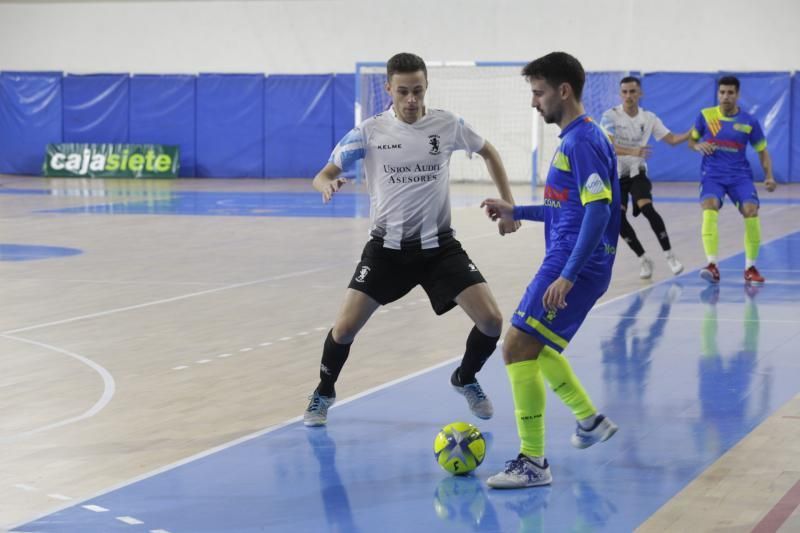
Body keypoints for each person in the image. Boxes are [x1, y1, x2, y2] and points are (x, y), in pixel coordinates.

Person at [303, 52, 519, 427]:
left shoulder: (447, 125)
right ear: (388, 88)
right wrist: (328, 184)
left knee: (492, 321)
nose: (411, 100)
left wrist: (509, 204)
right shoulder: (369, 132)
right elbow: (322, 174)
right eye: (403, 91)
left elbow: (489, 152)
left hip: (440, 248)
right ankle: (324, 391)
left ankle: (465, 377)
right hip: (386, 251)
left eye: (418, 90)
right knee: (344, 328)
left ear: (426, 87)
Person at [480, 52, 619, 489]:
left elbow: (597, 212)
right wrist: (515, 209)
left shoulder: (581, 141)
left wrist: (568, 274)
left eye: (538, 93)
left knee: (515, 346)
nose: (533, 103)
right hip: (571, 257)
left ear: (564, 90)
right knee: (534, 347)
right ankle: (588, 419)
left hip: (572, 262)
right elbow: (567, 208)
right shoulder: (582, 138)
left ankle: (533, 461)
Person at [688, 75, 777, 285]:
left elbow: (762, 151)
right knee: (709, 206)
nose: (725, 96)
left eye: (730, 93)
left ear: (737, 94)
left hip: (740, 176)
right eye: (722, 92)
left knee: (751, 210)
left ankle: (750, 268)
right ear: (717, 94)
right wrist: (698, 145)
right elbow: (692, 141)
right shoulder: (705, 116)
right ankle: (712, 265)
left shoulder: (749, 121)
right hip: (713, 175)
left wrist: (769, 176)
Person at [600, 76, 690, 279]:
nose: (628, 96)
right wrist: (634, 150)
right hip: (616, 174)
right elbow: (609, 146)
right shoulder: (610, 116)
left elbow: (673, 139)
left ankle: (670, 255)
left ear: (640, 93)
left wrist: (694, 132)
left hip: (637, 172)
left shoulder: (649, 118)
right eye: (625, 92)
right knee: (617, 218)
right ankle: (643, 258)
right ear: (620, 94)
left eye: (633, 92)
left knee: (648, 208)